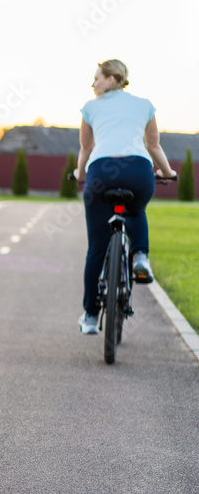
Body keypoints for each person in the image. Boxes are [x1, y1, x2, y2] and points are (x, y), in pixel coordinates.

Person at [73, 59, 176, 335]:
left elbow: (86, 149)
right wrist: (167, 172)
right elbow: (153, 145)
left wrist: (80, 176)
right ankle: (141, 256)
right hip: (138, 171)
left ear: (111, 78)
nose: (93, 83)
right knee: (135, 211)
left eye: (97, 77)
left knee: (96, 248)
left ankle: (91, 317)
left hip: (101, 173)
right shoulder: (144, 104)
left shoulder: (90, 107)